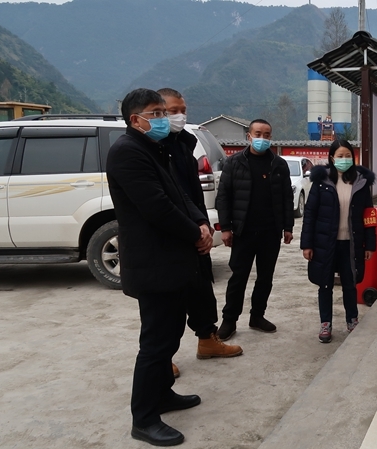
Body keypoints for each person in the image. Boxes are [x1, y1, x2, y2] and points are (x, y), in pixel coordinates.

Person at [107, 88, 212, 446]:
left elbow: (180, 195)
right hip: (153, 264)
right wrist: (194, 234)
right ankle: (144, 418)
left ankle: (163, 394)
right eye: (156, 113)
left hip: (172, 261)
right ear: (135, 120)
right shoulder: (127, 152)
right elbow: (157, 207)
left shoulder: (154, 147)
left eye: (164, 112)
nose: (164, 118)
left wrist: (201, 223)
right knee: (155, 343)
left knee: (170, 335)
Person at [157, 88, 243, 375]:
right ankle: (161, 357)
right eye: (172, 111)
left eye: (182, 110)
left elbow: (191, 192)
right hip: (171, 233)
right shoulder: (151, 148)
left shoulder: (186, 142)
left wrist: (202, 225)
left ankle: (207, 339)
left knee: (202, 289)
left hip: (195, 225)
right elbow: (165, 199)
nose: (179, 116)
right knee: (169, 302)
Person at [215, 119, 294, 340]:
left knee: (265, 277)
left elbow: (287, 198)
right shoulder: (234, 163)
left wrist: (288, 227)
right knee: (238, 277)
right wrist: (226, 228)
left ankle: (257, 316)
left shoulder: (278, 164)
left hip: (270, 231)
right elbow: (223, 197)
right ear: (248, 136)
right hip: (243, 231)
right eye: (258, 134)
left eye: (266, 135)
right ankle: (229, 320)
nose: (262, 138)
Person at [300, 139, 376, 343]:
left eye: (348, 156)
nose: (344, 159)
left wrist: (370, 244)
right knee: (325, 284)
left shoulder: (361, 182)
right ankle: (326, 323)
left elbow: (369, 215)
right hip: (325, 243)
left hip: (351, 243)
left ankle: (352, 319)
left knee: (350, 284)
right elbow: (310, 214)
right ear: (332, 158)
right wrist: (307, 244)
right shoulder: (322, 181)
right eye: (340, 156)